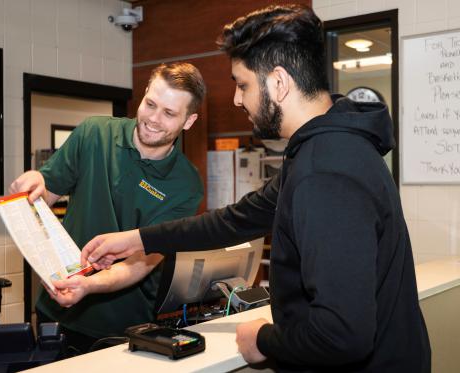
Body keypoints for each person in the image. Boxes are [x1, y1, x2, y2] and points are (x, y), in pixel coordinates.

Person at [57, 5, 431, 372]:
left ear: (279, 83)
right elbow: (236, 220)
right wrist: (139, 239)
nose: (237, 99)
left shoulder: (325, 172)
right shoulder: (323, 150)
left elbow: (343, 334)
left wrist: (263, 339)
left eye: (243, 84)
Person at [9, 62, 206, 353]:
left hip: (124, 328)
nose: (153, 118)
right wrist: (34, 185)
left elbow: (143, 261)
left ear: (188, 121)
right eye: (150, 104)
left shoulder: (186, 185)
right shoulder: (94, 134)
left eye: (169, 113)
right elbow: (45, 192)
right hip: (57, 314)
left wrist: (88, 285)